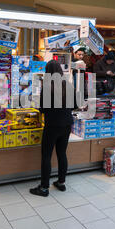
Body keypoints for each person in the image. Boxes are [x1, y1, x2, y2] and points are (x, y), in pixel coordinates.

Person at [30, 60, 78, 197]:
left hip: (52, 126)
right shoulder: (68, 85)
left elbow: (43, 109)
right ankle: (61, 182)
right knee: (62, 153)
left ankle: (44, 188)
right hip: (67, 124)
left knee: (46, 156)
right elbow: (75, 105)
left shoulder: (47, 87)